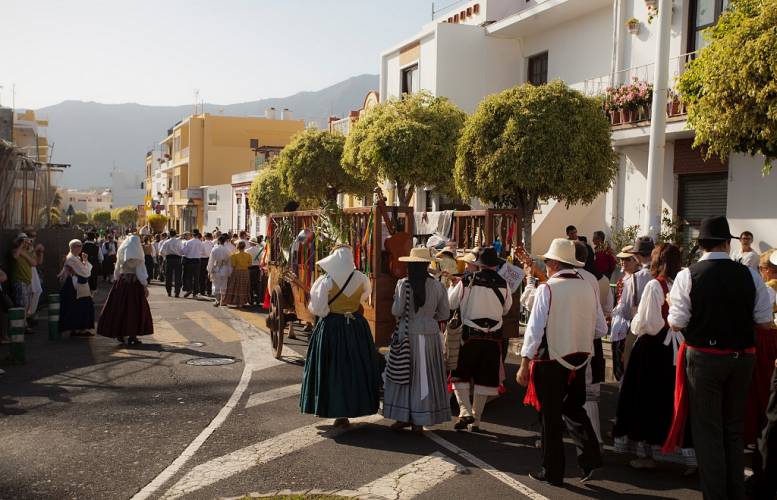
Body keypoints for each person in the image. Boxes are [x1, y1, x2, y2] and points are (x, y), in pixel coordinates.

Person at [663, 216, 773, 500]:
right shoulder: (749, 275)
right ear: (727, 243)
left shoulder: (689, 275)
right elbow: (763, 320)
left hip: (705, 358)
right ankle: (735, 493)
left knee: (708, 432)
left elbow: (676, 321)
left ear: (701, 245)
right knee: (733, 430)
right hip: (742, 357)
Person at [517, 238, 604, 486]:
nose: (545, 265)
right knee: (574, 409)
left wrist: (524, 362)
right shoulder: (588, 286)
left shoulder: (548, 288)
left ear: (554, 263)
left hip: (551, 360)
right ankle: (591, 457)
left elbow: (534, 329)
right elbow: (601, 328)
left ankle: (552, 471)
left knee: (551, 417)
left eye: (546, 261)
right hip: (580, 359)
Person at [613, 243, 696, 469]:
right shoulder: (681, 283)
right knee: (672, 397)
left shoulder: (654, 285)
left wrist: (636, 321)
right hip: (676, 346)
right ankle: (681, 452)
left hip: (653, 347)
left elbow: (648, 323)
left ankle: (650, 453)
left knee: (647, 398)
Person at [300, 245, 379, 426]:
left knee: (332, 368)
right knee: (355, 368)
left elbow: (318, 309)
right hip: (356, 328)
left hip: (332, 328)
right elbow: (364, 297)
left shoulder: (325, 280)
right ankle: (354, 405)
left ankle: (336, 410)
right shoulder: (362, 278)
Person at [383, 248, 451, 432]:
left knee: (404, 374)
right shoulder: (438, 285)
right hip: (429, 334)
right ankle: (420, 420)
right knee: (425, 377)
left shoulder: (403, 284)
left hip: (407, 333)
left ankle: (402, 416)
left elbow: (396, 311)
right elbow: (444, 313)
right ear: (427, 264)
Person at [448, 247, 512, 432]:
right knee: (484, 380)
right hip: (493, 338)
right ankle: (476, 420)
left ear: (479, 264)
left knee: (460, 375)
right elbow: (506, 309)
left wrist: (454, 285)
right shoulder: (504, 283)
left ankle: (465, 411)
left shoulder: (467, 280)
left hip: (469, 336)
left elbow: (451, 303)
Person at [97, 235, 153, 345]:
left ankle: (120, 333)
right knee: (134, 309)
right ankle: (133, 335)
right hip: (134, 284)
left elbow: (117, 270)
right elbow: (141, 273)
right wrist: (144, 285)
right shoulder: (138, 257)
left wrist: (117, 280)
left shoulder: (121, 254)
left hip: (122, 283)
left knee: (120, 308)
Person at [610, 246, 639, 381]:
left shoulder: (639, 279)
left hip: (633, 325)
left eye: (627, 259)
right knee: (618, 360)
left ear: (636, 260)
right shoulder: (622, 279)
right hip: (619, 324)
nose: (623, 262)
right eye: (621, 259)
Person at [57, 239, 95, 336]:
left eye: (81, 246)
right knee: (79, 307)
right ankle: (79, 329)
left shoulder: (74, 258)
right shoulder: (72, 259)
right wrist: (86, 262)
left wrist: (84, 262)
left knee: (77, 307)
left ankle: (77, 328)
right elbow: (85, 273)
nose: (81, 248)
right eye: (79, 246)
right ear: (73, 247)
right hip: (76, 286)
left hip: (77, 285)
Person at [10, 234, 36, 333]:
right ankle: (22, 326)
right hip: (19, 281)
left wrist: (25, 252)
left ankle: (24, 324)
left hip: (27, 281)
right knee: (22, 305)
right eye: (23, 241)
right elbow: (15, 256)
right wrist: (21, 246)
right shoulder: (15, 250)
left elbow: (34, 263)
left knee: (27, 305)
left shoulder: (27, 252)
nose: (26, 243)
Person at [223, 240, 251, 307]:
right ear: (244, 247)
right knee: (243, 287)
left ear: (237, 246)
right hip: (245, 272)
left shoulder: (234, 255)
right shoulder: (248, 255)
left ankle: (235, 301)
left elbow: (233, 265)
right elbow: (250, 264)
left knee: (235, 286)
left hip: (237, 271)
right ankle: (242, 302)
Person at [207, 234, 233, 307]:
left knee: (216, 284)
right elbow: (229, 262)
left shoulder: (214, 249)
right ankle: (222, 300)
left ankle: (217, 300)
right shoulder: (227, 250)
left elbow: (211, 261)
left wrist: (209, 270)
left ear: (218, 241)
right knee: (224, 284)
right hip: (225, 269)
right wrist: (230, 271)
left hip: (216, 268)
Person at [159, 230, 184, 297]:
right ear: (175, 235)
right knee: (177, 276)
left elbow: (161, 252)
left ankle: (169, 291)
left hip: (169, 259)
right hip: (177, 259)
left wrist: (165, 257)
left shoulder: (166, 242)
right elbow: (182, 251)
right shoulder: (179, 241)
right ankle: (177, 292)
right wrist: (179, 254)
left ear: (169, 235)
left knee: (168, 276)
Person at [182, 232, 202, 298]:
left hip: (189, 260)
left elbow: (184, 252)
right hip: (197, 260)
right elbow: (202, 251)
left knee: (188, 276)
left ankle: (189, 289)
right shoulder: (200, 242)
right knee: (196, 277)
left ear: (192, 235)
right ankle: (195, 292)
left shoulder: (188, 242)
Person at [246, 237, 262, 306]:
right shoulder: (260, 250)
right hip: (257, 268)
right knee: (257, 284)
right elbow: (261, 260)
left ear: (251, 243)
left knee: (250, 285)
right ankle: (258, 299)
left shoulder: (247, 250)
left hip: (249, 269)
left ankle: (251, 300)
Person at [200, 232, 214, 297]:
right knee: (209, 276)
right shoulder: (212, 243)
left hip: (203, 260)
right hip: (210, 259)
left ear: (205, 237)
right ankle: (209, 291)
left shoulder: (202, 243)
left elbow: (200, 252)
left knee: (202, 276)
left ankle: (202, 291)